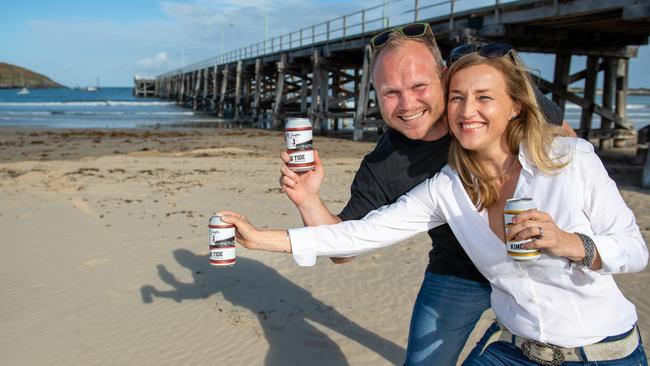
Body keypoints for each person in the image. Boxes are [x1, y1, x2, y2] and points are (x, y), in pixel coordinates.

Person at [220, 43, 648, 365]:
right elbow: (356, 237)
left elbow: (632, 248)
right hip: (493, 316)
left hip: (603, 351)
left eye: (483, 98)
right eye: (459, 98)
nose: (467, 111)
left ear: (515, 105)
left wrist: (576, 243)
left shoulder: (567, 160)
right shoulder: (440, 184)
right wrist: (264, 235)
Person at [277, 22, 572, 365]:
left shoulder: (491, 100)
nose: (407, 104)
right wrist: (308, 199)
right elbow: (344, 250)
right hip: (457, 272)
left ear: (445, 77)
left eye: (419, 86)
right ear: (374, 94)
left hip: (537, 261)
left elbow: (564, 138)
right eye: (391, 93)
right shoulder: (384, 164)